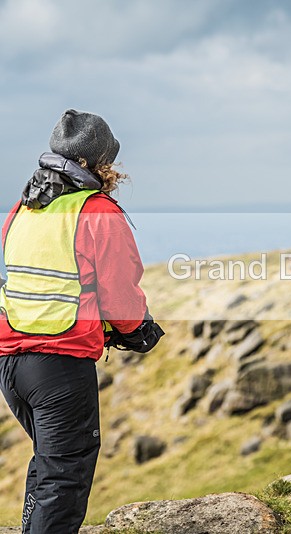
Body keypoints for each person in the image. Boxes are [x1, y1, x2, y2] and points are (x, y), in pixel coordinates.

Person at [0, 109, 165, 533]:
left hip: (12, 364)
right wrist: (138, 331)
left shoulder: (24, 208)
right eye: (111, 161)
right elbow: (119, 292)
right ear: (94, 164)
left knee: (50, 466)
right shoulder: (96, 211)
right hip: (58, 367)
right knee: (64, 477)